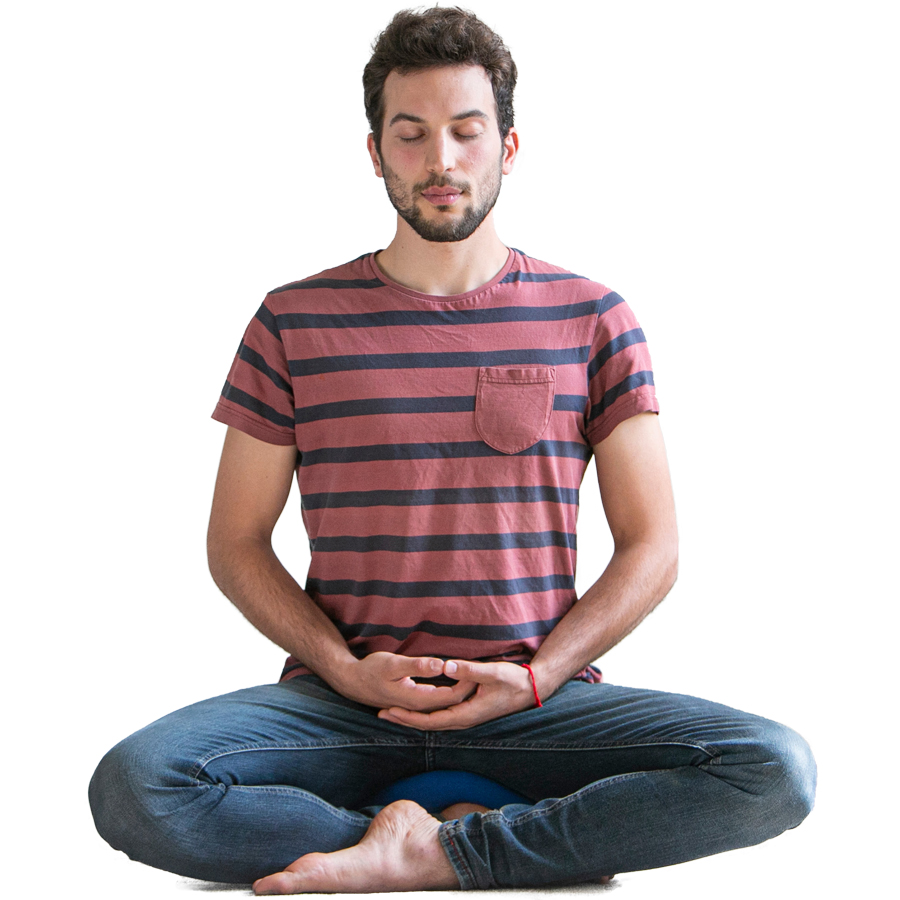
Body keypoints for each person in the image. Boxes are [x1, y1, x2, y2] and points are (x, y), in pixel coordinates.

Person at [89, 7, 816, 894]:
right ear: (374, 151)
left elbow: (654, 548)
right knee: (138, 787)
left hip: (537, 708)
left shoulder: (595, 318)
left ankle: (424, 848)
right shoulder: (291, 322)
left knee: (773, 769)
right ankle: (462, 839)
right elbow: (234, 542)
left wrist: (539, 677)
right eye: (413, 134)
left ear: (509, 148)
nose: (441, 161)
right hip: (342, 707)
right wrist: (343, 669)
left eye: (467, 132)